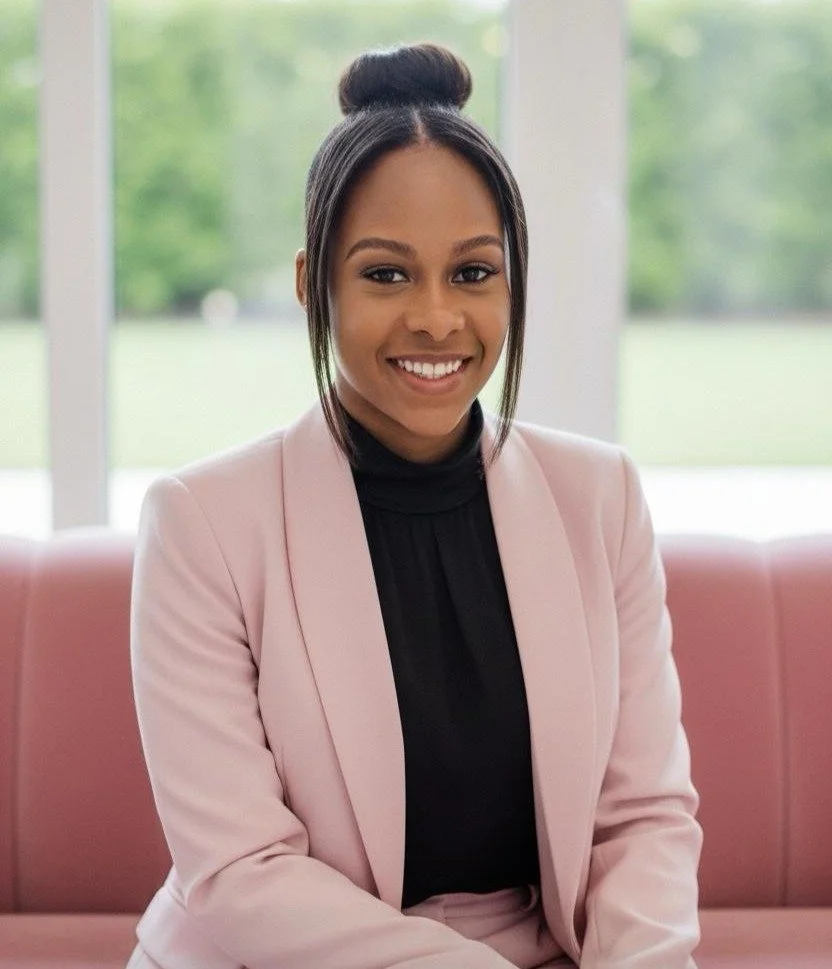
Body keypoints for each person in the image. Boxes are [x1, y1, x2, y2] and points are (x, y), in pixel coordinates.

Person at [126, 42, 702, 969]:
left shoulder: (601, 499)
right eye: (386, 274)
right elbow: (241, 870)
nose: (437, 317)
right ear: (312, 283)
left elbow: (641, 818)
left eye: (473, 272)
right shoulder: (203, 524)